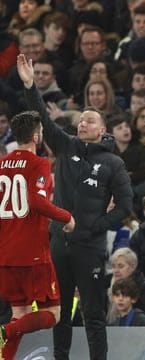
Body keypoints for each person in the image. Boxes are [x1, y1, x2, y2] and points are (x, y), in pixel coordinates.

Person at [17, 54, 133, 360]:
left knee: (93, 314)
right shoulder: (66, 146)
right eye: (80, 119)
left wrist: (98, 226)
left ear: (102, 128)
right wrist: (30, 85)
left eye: (90, 120)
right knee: (58, 312)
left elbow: (125, 206)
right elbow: (41, 114)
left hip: (89, 247)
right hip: (58, 245)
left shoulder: (113, 162)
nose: (82, 123)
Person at [0, 110, 75, 360]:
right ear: (36, 136)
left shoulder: (1, 164)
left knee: (20, 314)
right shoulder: (39, 163)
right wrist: (66, 217)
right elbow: (36, 201)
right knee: (53, 314)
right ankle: (5, 331)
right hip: (32, 253)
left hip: (6, 253)